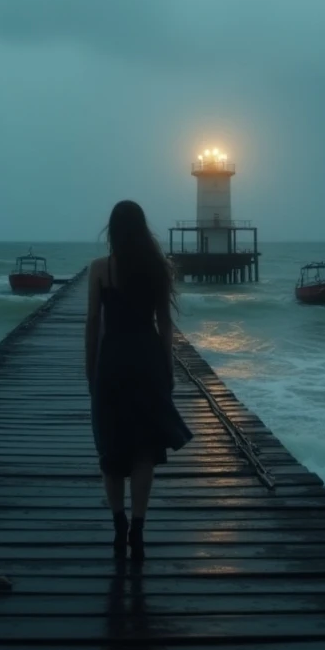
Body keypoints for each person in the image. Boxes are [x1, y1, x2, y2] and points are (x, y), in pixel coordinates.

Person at [85, 200, 193, 561]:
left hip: (113, 363)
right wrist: (169, 369)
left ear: (112, 231)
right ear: (143, 228)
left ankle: (119, 526)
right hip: (146, 362)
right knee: (144, 451)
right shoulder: (157, 269)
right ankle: (139, 528)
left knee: (112, 449)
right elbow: (165, 325)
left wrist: (91, 369)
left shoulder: (101, 269)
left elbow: (93, 324)